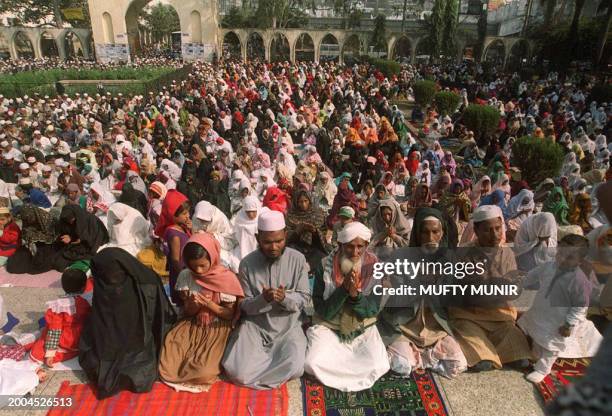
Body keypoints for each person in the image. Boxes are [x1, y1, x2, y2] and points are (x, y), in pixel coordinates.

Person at [223, 210, 311, 389]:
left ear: (285, 236)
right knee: (236, 370)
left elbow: (304, 298)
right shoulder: (247, 264)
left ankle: (260, 376)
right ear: (257, 238)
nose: (273, 247)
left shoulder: (298, 259)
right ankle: (266, 376)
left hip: (289, 326)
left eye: (279, 241)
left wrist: (284, 298)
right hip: (257, 326)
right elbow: (244, 305)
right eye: (267, 242)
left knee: (295, 367)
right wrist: (262, 300)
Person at [379, 208, 468, 379]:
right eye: (425, 232)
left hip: (435, 327)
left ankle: (422, 358)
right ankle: (416, 357)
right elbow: (397, 299)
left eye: (435, 232)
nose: (430, 238)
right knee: (402, 365)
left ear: (442, 233)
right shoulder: (400, 258)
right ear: (417, 235)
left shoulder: (449, 260)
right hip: (405, 325)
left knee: (458, 364)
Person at [79, 247, 176, 399]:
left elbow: (158, 318)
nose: (111, 281)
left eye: (115, 275)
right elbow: (101, 322)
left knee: (135, 368)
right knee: (98, 365)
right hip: (111, 339)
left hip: (141, 338)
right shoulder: (104, 287)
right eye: (106, 277)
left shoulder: (146, 283)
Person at [305, 221, 389, 391]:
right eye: (350, 246)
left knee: (378, 363)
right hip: (329, 326)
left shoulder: (375, 266)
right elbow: (322, 310)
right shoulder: (324, 266)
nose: (355, 252)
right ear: (340, 244)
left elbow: (372, 309)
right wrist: (343, 290)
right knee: (312, 362)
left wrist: (355, 296)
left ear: (366, 245)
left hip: (362, 326)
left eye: (360, 246)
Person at [449, 205, 532, 372]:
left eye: (497, 228)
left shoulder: (507, 253)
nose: (494, 235)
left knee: (520, 353)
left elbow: (511, 289)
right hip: (469, 315)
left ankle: (497, 349)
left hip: (499, 315)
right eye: (487, 230)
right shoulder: (462, 253)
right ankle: (484, 352)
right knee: (480, 356)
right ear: (476, 231)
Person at [159, 233, 244, 393]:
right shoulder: (186, 276)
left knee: (203, 372)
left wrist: (209, 304)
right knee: (168, 363)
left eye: (202, 265)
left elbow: (229, 314)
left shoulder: (226, 278)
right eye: (193, 266)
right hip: (192, 324)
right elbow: (187, 311)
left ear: (212, 258)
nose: (198, 270)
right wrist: (193, 305)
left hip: (217, 327)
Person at [518, 234, 603, 384]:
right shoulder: (549, 265)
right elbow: (533, 275)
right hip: (541, 309)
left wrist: (568, 324)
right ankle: (532, 355)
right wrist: (521, 283)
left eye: (569, 257)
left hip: (559, 319)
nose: (562, 259)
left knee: (552, 344)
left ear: (580, 261)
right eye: (561, 253)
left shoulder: (579, 281)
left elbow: (580, 306)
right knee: (533, 331)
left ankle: (543, 369)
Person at [29, 267, 92, 366]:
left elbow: (55, 330)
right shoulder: (85, 302)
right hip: (81, 339)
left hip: (65, 340)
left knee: (42, 340)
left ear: (63, 286)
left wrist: (50, 354)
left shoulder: (59, 306)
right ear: (84, 287)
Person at [156, 190, 192, 304]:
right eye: (184, 214)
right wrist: (185, 277)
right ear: (173, 215)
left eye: (188, 212)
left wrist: (191, 230)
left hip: (185, 272)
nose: (188, 216)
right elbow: (176, 260)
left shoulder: (181, 227)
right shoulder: (174, 234)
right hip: (181, 276)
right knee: (185, 304)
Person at [286, 190, 328, 272]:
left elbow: (323, 233)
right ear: (296, 202)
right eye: (300, 202)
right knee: (289, 252)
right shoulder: (291, 215)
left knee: (322, 256)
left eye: (305, 201)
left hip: (313, 247)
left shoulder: (317, 214)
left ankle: (307, 268)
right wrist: (298, 231)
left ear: (310, 201)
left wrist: (315, 232)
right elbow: (287, 236)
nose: (303, 204)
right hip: (297, 246)